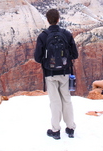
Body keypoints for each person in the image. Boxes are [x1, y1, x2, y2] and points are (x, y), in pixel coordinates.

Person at [34, 9, 78, 140]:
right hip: (65, 72)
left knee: (55, 101)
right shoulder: (66, 34)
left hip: (50, 73)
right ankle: (70, 128)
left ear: (47, 20)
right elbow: (75, 54)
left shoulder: (43, 36)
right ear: (58, 19)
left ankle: (55, 130)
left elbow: (37, 58)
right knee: (67, 99)